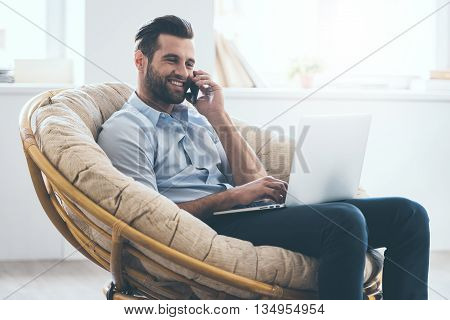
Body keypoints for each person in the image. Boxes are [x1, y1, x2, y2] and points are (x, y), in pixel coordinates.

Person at [97, 15, 430, 300]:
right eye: (171, 59)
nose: (183, 72)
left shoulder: (198, 117)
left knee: (409, 215)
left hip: (247, 214)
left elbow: (254, 182)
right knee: (344, 221)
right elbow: (147, 219)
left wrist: (218, 116)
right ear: (140, 61)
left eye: (189, 63)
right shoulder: (127, 129)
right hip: (211, 226)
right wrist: (231, 198)